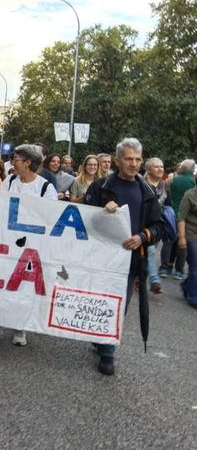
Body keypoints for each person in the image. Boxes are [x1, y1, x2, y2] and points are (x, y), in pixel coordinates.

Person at [84, 138, 164, 375]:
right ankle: (101, 337)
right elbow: (83, 219)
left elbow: (159, 226)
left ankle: (108, 352)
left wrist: (142, 236)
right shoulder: (101, 187)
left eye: (138, 159)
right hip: (99, 258)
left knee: (120, 304)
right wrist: (101, 211)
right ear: (118, 160)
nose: (134, 163)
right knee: (99, 300)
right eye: (129, 159)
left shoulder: (147, 191)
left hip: (130, 261)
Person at [0, 144, 58, 347]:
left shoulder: (45, 187)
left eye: (16, 159)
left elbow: (51, 216)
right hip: (8, 242)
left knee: (23, 286)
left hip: (31, 246)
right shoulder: (9, 181)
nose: (12, 162)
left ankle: (20, 327)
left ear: (27, 162)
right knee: (1, 283)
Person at [160, 159, 195, 281]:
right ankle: (179, 271)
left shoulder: (172, 180)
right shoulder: (193, 182)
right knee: (182, 242)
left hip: (172, 213)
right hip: (186, 217)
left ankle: (164, 267)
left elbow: (167, 194)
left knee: (169, 240)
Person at [144, 157, 170, 294]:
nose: (160, 169)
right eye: (157, 167)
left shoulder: (164, 186)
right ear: (148, 170)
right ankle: (154, 281)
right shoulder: (142, 185)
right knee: (150, 252)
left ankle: (139, 279)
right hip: (144, 226)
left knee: (147, 254)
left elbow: (169, 205)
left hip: (158, 227)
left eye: (162, 166)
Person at [177, 185, 197, 308]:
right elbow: (181, 217)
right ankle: (193, 297)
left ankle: (186, 285)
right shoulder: (189, 195)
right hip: (191, 234)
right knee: (195, 265)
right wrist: (182, 237)